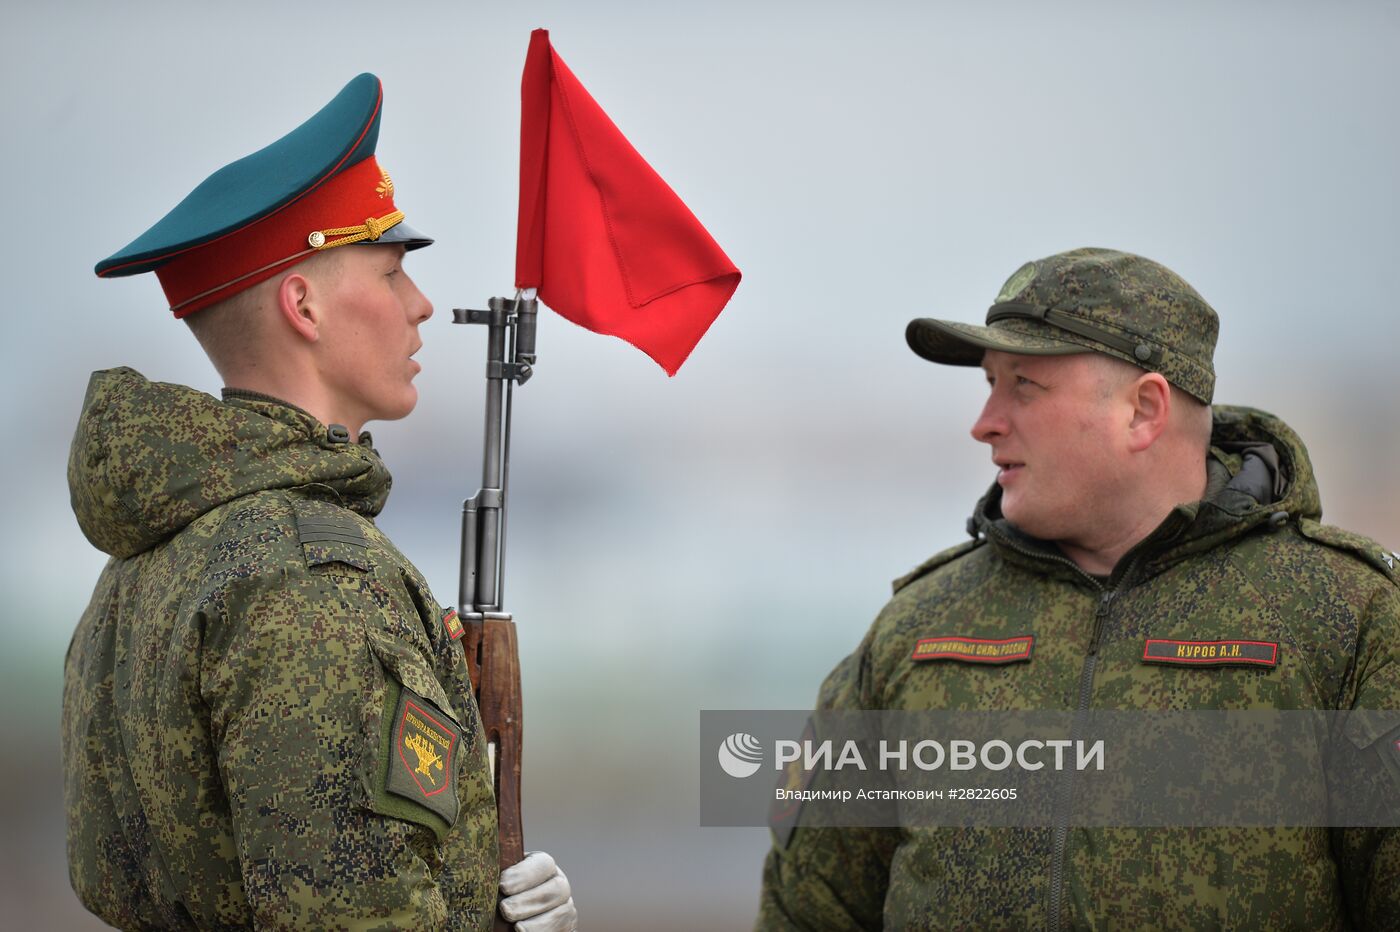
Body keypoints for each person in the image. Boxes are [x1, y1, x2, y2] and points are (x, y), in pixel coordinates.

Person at [63, 73, 577, 931]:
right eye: (389, 272)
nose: (419, 307)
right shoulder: (311, 581)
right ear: (301, 304)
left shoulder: (152, 557)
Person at [755, 248, 1400, 929]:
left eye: (1024, 387)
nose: (986, 422)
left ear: (1143, 411)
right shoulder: (918, 630)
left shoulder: (1344, 621)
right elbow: (809, 913)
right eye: (988, 383)